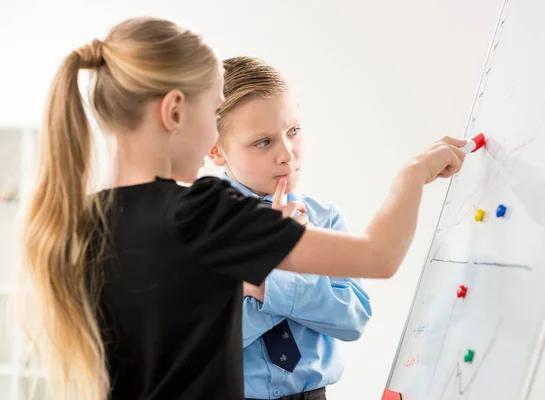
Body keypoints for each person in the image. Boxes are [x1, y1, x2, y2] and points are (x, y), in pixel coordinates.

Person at [19, 17, 466, 400]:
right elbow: (379, 256)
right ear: (175, 111)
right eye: (213, 111)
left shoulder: (80, 221)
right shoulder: (208, 212)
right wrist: (411, 175)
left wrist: (259, 279)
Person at [209, 56, 371, 400]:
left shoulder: (325, 220)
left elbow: (353, 318)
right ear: (216, 149)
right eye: (263, 142)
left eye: (293, 131)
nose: (288, 154)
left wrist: (261, 284)